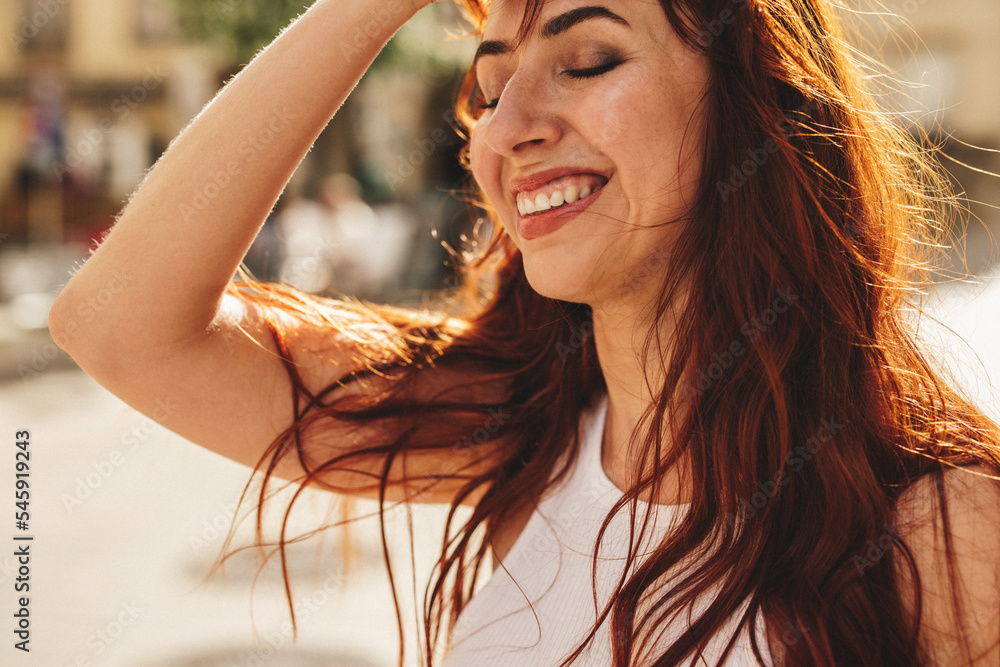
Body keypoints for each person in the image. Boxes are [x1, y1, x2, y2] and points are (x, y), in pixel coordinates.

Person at [49, 0, 1000, 664]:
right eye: (489, 90)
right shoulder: (526, 438)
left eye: (587, 62)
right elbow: (117, 320)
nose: (509, 131)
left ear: (762, 101)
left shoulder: (946, 534)